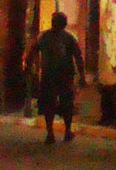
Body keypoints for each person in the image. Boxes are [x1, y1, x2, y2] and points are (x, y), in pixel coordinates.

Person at [26, 12, 85, 144]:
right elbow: (78, 57)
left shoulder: (44, 37)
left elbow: (32, 52)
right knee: (65, 103)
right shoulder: (68, 37)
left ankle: (51, 132)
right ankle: (66, 131)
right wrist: (82, 76)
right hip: (64, 75)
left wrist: (28, 68)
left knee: (50, 104)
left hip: (51, 75)